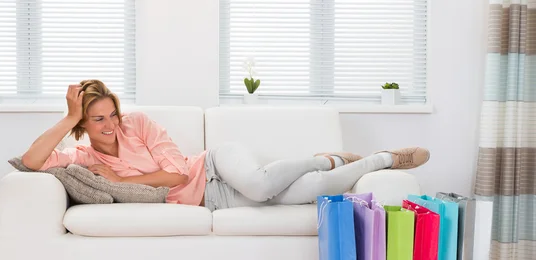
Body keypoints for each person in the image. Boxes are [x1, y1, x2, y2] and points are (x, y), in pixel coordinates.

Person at [22, 80, 430, 211]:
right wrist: (69, 118)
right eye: (98, 119)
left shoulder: (139, 123)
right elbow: (30, 162)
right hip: (212, 200)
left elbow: (179, 174)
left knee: (257, 184)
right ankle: (383, 159)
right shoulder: (81, 156)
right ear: (84, 124)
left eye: (113, 114)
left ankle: (323, 158)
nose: (111, 124)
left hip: (215, 166)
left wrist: (119, 177)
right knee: (310, 193)